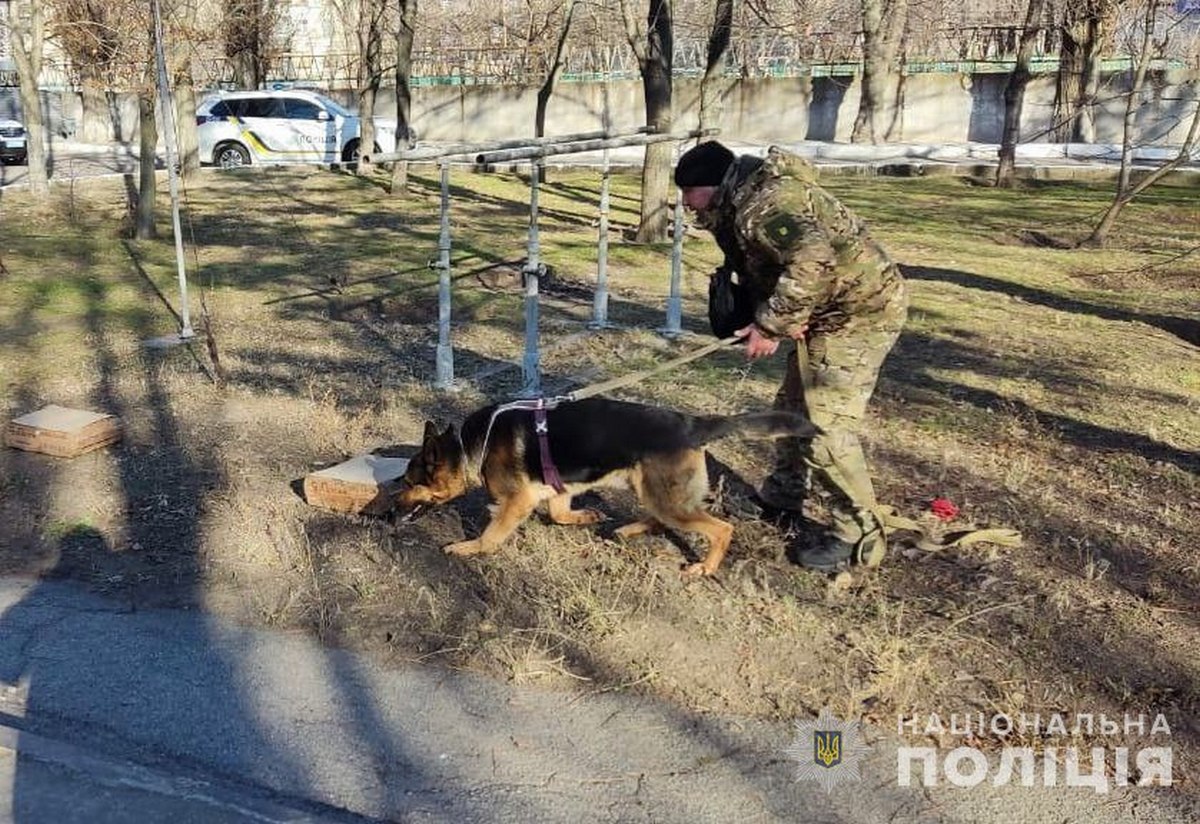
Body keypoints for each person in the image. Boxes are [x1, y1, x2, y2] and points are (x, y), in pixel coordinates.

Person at [674, 140, 908, 571]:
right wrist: (785, 313)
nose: (688, 207)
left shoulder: (765, 204)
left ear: (710, 185)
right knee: (791, 409)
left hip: (859, 315)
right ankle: (783, 498)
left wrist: (770, 325)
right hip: (825, 309)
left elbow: (811, 261)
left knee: (825, 426)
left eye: (690, 196)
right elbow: (783, 267)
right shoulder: (744, 200)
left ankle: (858, 535)